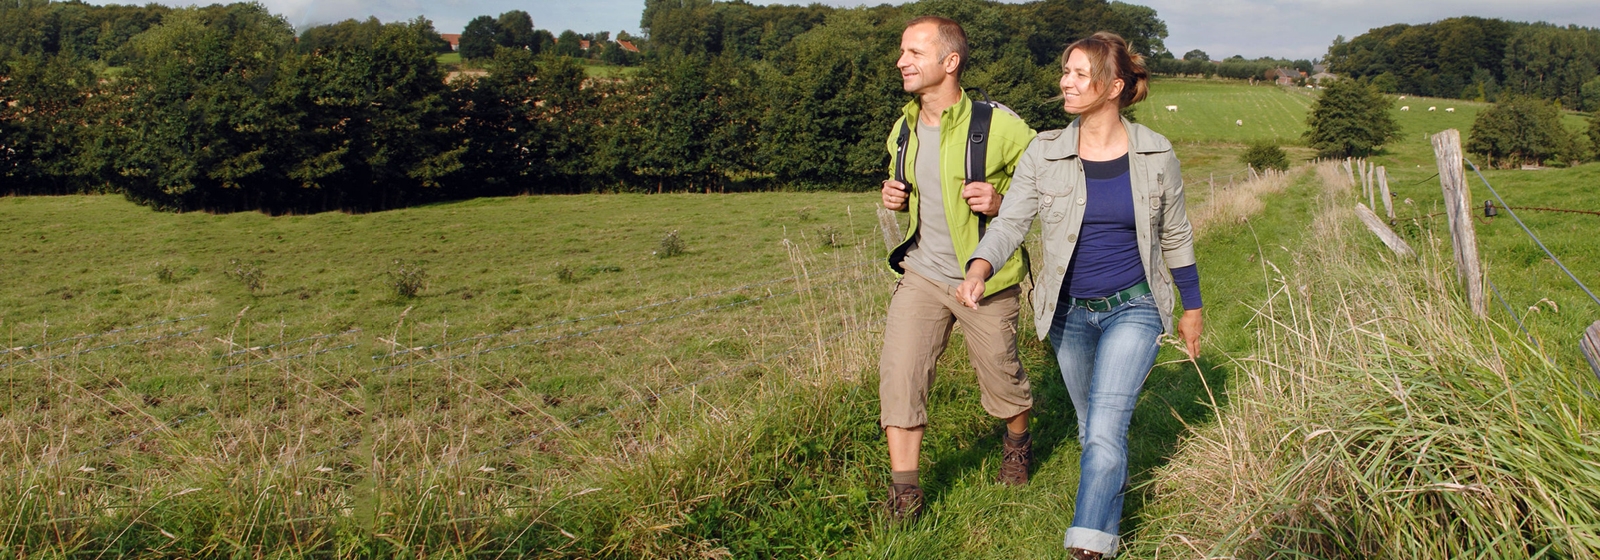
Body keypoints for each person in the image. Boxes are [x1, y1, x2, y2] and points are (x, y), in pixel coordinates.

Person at [956, 32, 1203, 559]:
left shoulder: (1157, 153)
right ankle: (1105, 518)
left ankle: (1089, 544)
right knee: (1094, 429)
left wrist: (1192, 307)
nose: (1066, 82)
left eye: (1079, 73)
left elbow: (1176, 233)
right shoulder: (1045, 152)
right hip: (1068, 313)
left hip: (1134, 306)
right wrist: (979, 267)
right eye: (1065, 71)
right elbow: (1010, 222)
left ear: (1113, 86)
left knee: (1107, 427)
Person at [877, 15, 1037, 522]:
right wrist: (893, 197)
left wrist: (1001, 199)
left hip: (986, 281)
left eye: (914, 53)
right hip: (922, 274)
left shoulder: (999, 126)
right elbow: (908, 187)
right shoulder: (902, 129)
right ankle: (906, 493)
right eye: (902, 52)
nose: (902, 61)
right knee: (900, 375)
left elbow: (1051, 193)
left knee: (1004, 382)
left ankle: (1017, 441)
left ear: (949, 63)